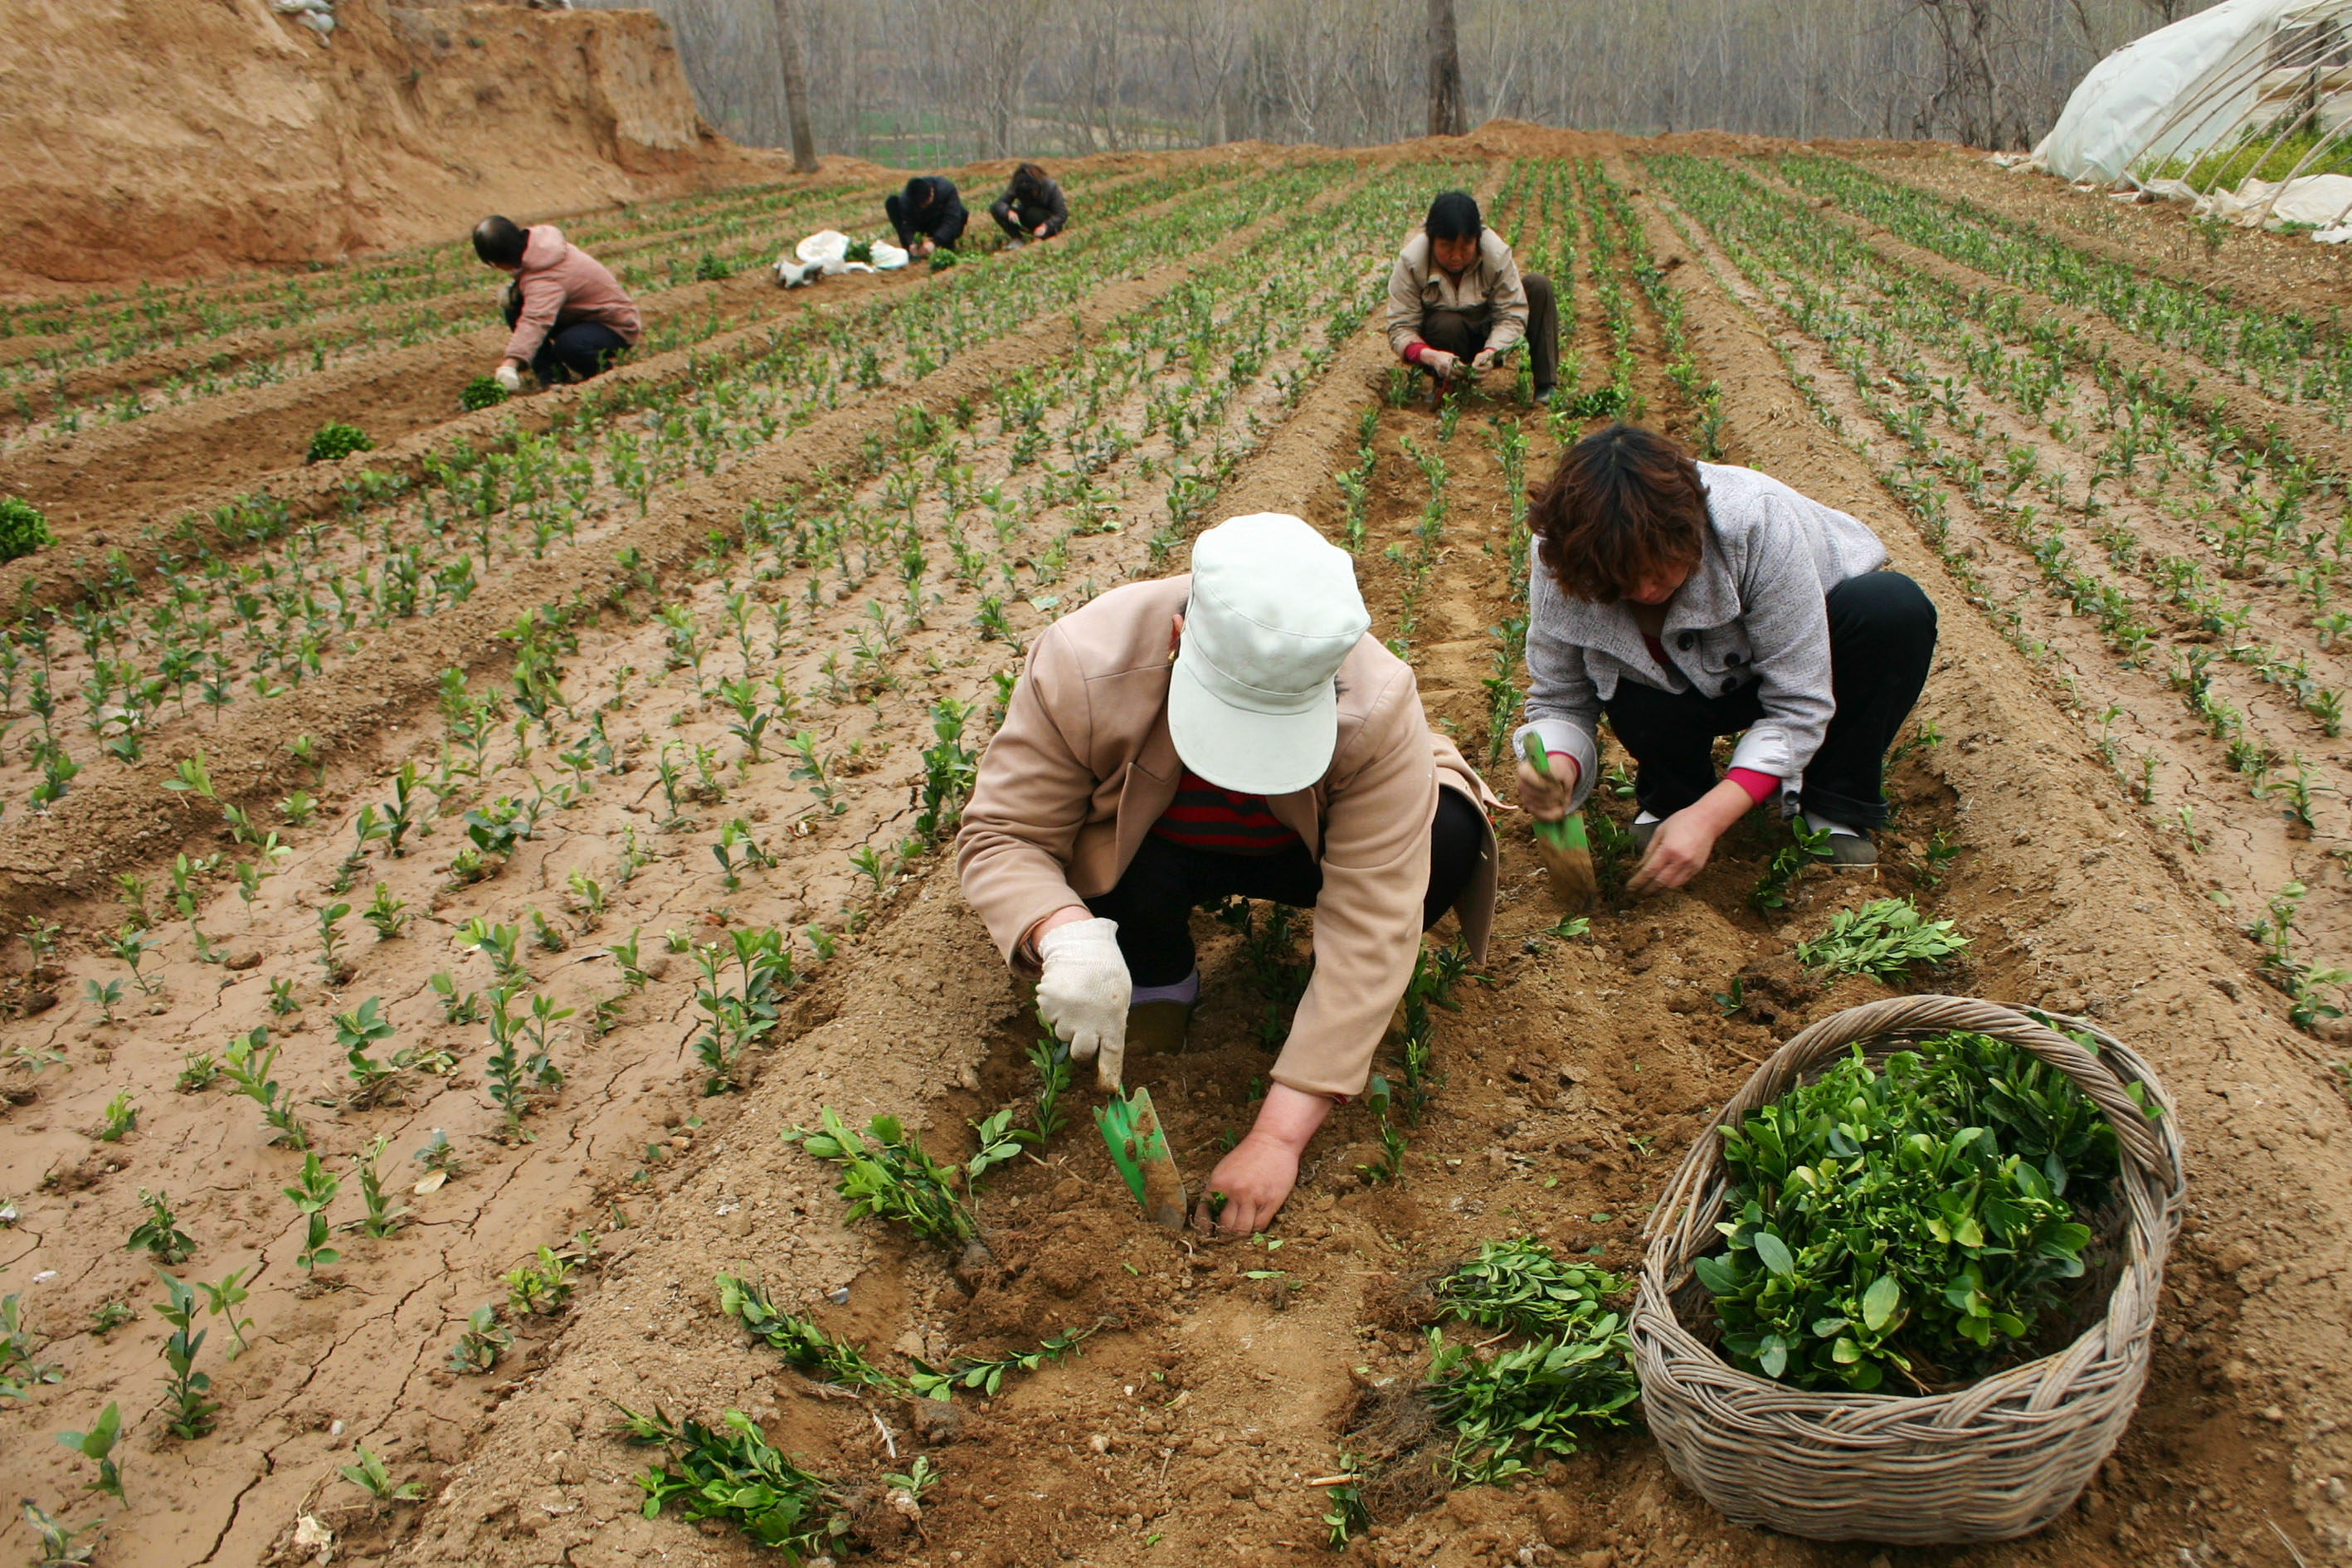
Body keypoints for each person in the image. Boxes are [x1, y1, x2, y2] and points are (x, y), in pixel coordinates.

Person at [957, 514, 1497, 1237]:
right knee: (1097, 876)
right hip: (1152, 843)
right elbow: (1006, 833)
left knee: (1447, 839)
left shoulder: (1376, 699)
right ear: (1179, 639)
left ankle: (1329, 1015)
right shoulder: (1085, 661)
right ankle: (1156, 970)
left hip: (1298, 849)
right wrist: (1063, 936)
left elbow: (1375, 916)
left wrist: (1277, 1138)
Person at [1512, 423, 1937, 886]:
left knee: (1891, 610)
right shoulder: (1564, 553)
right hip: (1667, 691)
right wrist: (1556, 765)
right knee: (1631, 667)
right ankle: (1674, 797)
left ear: (1688, 530)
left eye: (1657, 571)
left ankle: (1832, 801)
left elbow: (1800, 703)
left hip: (1788, 659)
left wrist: (1712, 818)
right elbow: (1561, 696)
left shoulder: (1751, 521)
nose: (1645, 591)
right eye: (1621, 582)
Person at [1386, 190, 1560, 407]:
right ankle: (1445, 383)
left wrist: (1492, 351)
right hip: (1443, 339)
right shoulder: (1412, 263)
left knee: (1538, 286)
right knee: (1446, 323)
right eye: (1446, 246)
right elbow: (1401, 328)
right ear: (1431, 239)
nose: (1456, 256)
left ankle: (1546, 386)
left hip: (1487, 328)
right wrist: (1431, 356)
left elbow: (1511, 314)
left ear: (1478, 239)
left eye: (1466, 246)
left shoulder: (1495, 255)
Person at [471, 216, 641, 391]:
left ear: (499, 261)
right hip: (583, 316)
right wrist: (515, 289)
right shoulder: (538, 245)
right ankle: (552, 375)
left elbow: (536, 319)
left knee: (569, 345)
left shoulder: (546, 278)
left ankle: (604, 378)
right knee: (515, 306)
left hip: (615, 325)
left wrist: (510, 363)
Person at [886, 175, 968, 258]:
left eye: (926, 204)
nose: (923, 207)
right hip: (922, 222)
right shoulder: (907, 200)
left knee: (962, 213)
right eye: (920, 206)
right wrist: (911, 242)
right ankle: (910, 251)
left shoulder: (946, 189)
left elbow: (952, 220)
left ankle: (946, 244)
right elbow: (908, 225)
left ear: (932, 193)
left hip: (939, 220)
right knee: (892, 202)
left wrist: (935, 242)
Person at [989, 163, 1069, 247]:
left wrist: (1046, 226)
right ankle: (1017, 238)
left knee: (1032, 213)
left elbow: (1062, 214)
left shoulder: (1050, 186)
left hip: (1046, 220)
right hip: (1026, 215)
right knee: (995, 209)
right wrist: (1008, 211)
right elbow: (999, 203)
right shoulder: (1018, 185)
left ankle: (1043, 236)